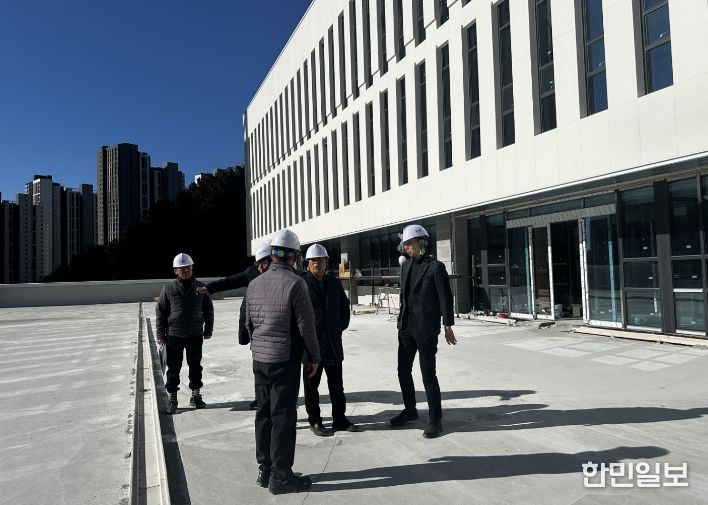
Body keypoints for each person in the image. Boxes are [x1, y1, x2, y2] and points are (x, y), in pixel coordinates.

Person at [245, 229, 321, 495]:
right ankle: (281, 476)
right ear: (295, 256)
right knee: (283, 416)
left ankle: (265, 469)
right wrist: (313, 357)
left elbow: (249, 323)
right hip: (283, 358)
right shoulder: (296, 283)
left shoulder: (255, 283)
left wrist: (259, 345)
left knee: (264, 413)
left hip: (260, 358)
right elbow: (306, 326)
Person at [390, 224, 457, 438]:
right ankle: (410, 409)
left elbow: (445, 297)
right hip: (406, 328)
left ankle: (436, 420)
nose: (406, 248)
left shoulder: (435, 267)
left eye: (410, 244)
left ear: (421, 243)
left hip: (426, 328)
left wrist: (447, 325)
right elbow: (404, 296)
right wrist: (400, 322)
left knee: (428, 374)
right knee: (403, 370)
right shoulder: (406, 266)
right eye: (405, 245)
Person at [199, 241, 272, 410]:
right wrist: (209, 288)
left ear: (270, 261)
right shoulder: (252, 272)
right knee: (258, 365)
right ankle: (260, 397)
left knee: (274, 364)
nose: (259, 267)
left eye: (262, 263)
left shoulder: (280, 274)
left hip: (273, 324)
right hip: (255, 325)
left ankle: (272, 396)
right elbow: (230, 281)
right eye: (258, 264)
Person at [300, 243, 358, 437]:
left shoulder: (333, 282)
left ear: (326, 262)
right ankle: (315, 421)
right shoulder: (301, 283)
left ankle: (339, 419)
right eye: (313, 260)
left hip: (332, 344)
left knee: (336, 385)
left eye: (320, 260)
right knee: (311, 388)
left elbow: (344, 305)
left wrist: (339, 326)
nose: (317, 263)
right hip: (312, 346)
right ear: (307, 263)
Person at [156, 253, 214, 415]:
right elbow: (161, 312)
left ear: (192, 268)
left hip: (195, 334)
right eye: (182, 269)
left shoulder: (201, 287)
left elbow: (208, 310)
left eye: (188, 268)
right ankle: (172, 398)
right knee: (173, 367)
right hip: (174, 335)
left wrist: (208, 329)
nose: (186, 271)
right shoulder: (168, 289)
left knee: (195, 366)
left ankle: (195, 395)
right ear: (176, 271)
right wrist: (161, 333)